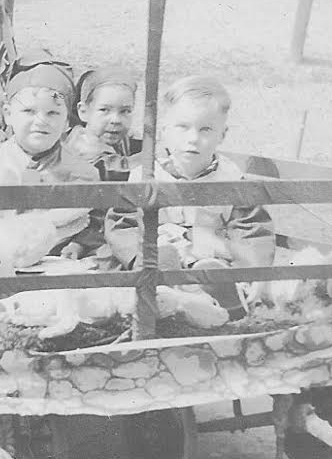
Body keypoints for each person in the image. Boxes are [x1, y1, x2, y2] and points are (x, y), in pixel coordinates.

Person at [104, 75, 275, 318]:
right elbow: (124, 225)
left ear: (222, 135)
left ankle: (224, 301)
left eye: (206, 129)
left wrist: (254, 270)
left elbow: (251, 230)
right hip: (156, 260)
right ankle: (171, 302)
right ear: (164, 132)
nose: (193, 138)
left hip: (208, 255)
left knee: (213, 271)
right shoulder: (146, 175)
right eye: (182, 127)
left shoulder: (231, 180)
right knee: (160, 264)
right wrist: (136, 258)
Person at [0, 63, 99, 221]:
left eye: (52, 113)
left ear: (67, 122)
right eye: (29, 111)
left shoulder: (81, 173)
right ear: (8, 115)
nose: (41, 121)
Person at [59, 67, 143, 260]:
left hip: (99, 223)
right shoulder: (85, 150)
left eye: (125, 111)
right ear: (83, 111)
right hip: (79, 233)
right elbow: (120, 167)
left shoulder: (104, 135)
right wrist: (157, 150)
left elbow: (132, 142)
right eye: (104, 110)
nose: (115, 120)